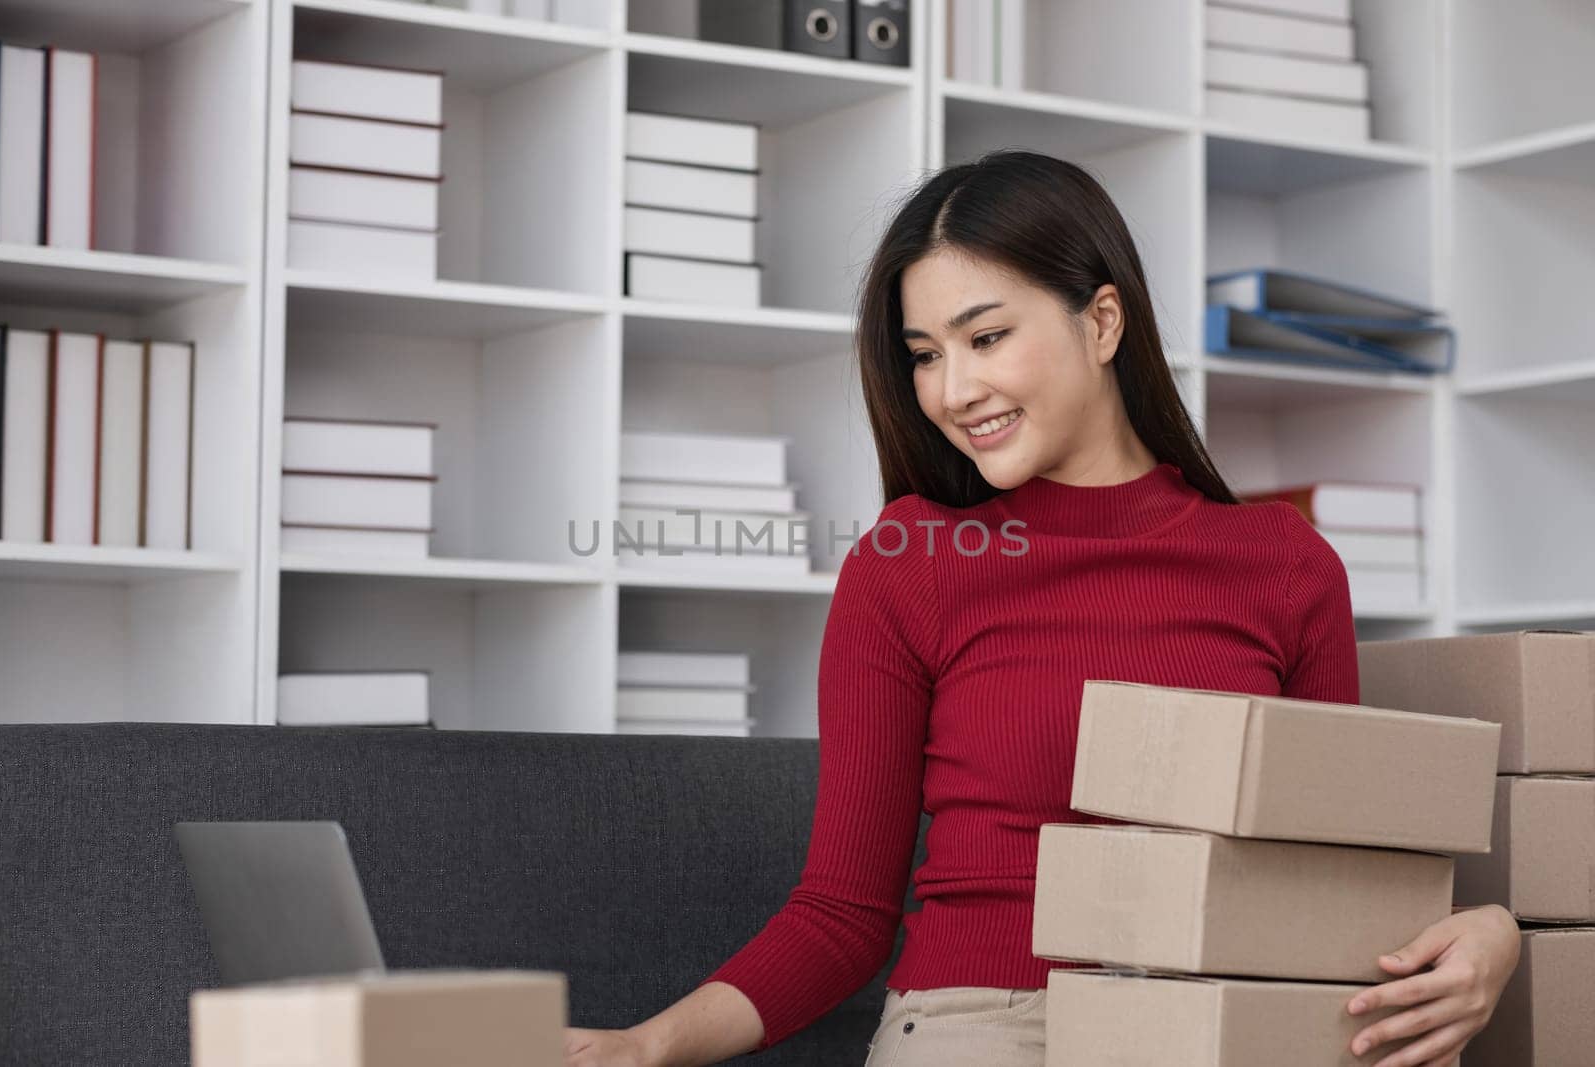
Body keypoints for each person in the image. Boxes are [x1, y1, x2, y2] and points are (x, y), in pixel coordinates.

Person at [564, 150, 1521, 1067]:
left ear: (1102, 323)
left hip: (1210, 1017)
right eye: (925, 354)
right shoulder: (911, 562)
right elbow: (843, 915)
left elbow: (1339, 875)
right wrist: (640, 1045)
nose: (952, 389)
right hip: (989, 1022)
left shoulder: (1282, 566)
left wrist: (1493, 932)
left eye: (986, 338)